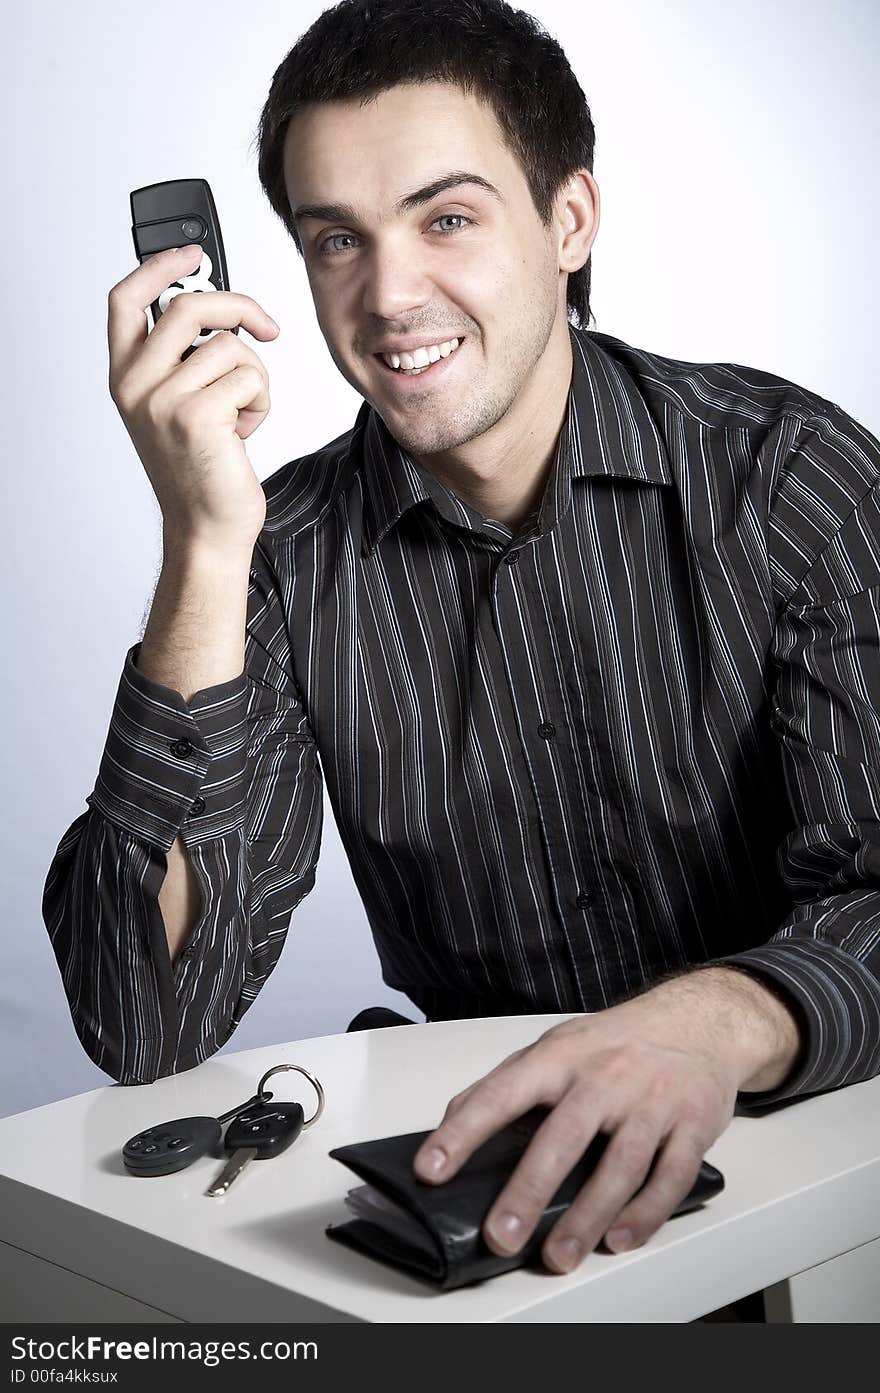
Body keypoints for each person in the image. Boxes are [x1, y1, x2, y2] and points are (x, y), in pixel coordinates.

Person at [43, 0, 880, 1278]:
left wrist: (716, 1020)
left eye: (446, 218)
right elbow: (141, 1018)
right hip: (488, 1222)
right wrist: (202, 543)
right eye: (337, 238)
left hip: (813, 1181)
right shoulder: (277, 559)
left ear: (568, 221)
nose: (386, 297)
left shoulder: (789, 478)